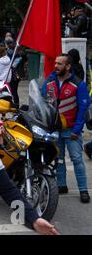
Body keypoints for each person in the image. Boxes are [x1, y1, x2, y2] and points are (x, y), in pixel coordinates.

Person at [41, 53, 91, 203]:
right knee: (59, 159)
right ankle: (61, 185)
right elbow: (42, 103)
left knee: (77, 159)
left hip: (71, 131)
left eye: (60, 64)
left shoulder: (78, 84)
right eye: (55, 63)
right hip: (54, 130)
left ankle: (83, 190)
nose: (56, 66)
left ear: (68, 66)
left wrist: (77, 130)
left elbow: (83, 108)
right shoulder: (49, 82)